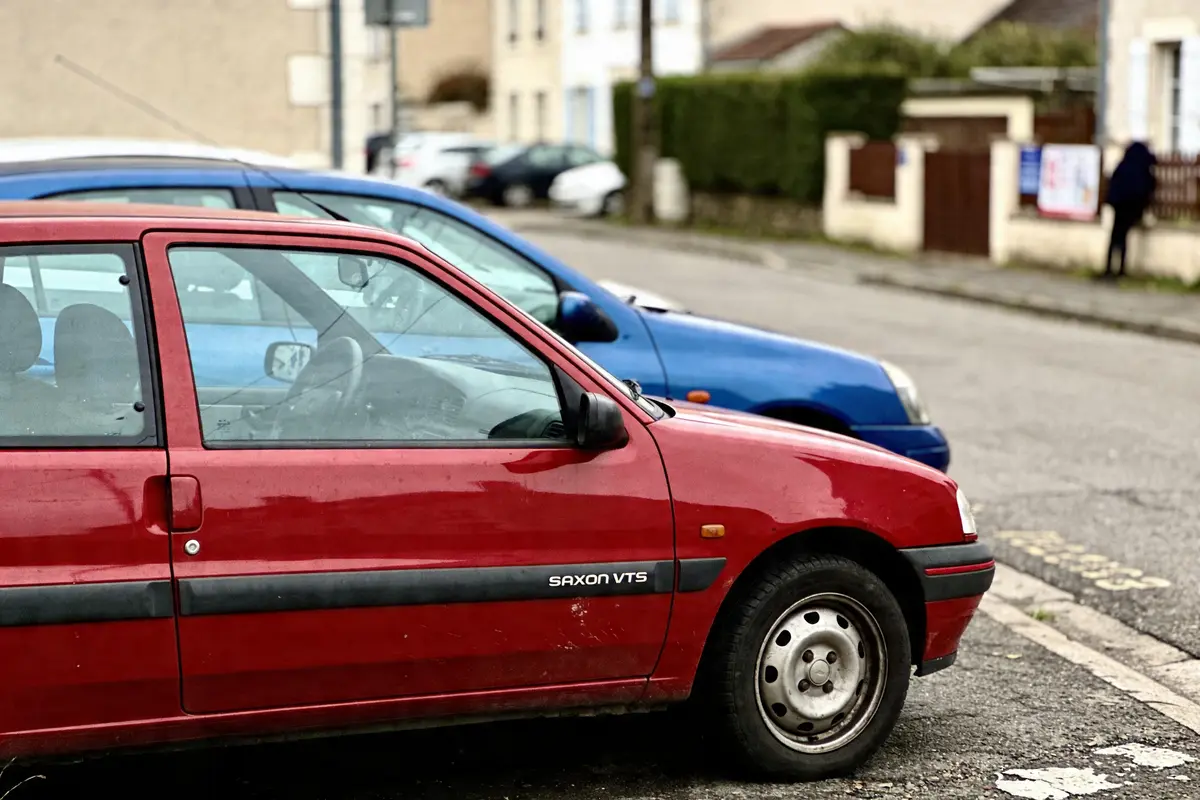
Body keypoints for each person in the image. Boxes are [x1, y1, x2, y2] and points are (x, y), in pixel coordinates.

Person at [1102, 142, 1157, 279]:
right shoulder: (1143, 166)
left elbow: (1114, 183)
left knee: (1115, 237)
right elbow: (1148, 187)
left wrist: (1112, 201)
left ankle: (1109, 269)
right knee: (1123, 237)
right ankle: (1120, 270)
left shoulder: (1124, 165)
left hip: (1119, 205)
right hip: (1131, 206)